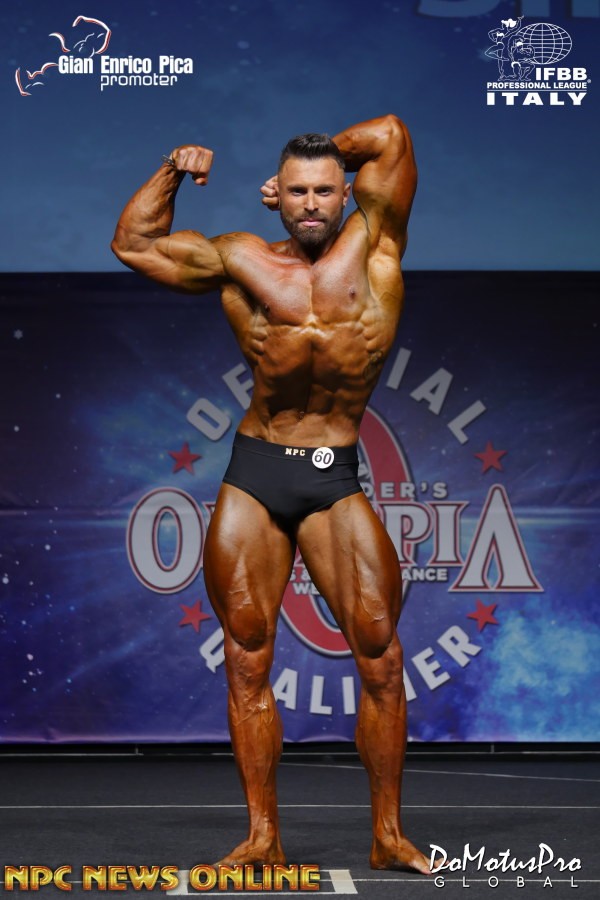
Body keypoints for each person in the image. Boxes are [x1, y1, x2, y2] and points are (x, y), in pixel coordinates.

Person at [112, 114, 434, 874]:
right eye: (297, 191)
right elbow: (134, 243)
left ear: (345, 193)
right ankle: (262, 838)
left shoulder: (377, 246)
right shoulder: (240, 259)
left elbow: (390, 134)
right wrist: (172, 168)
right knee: (248, 656)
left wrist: (321, 155)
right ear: (277, 198)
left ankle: (388, 836)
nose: (311, 203)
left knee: (381, 656)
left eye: (323, 190)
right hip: (258, 472)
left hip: (332, 475)